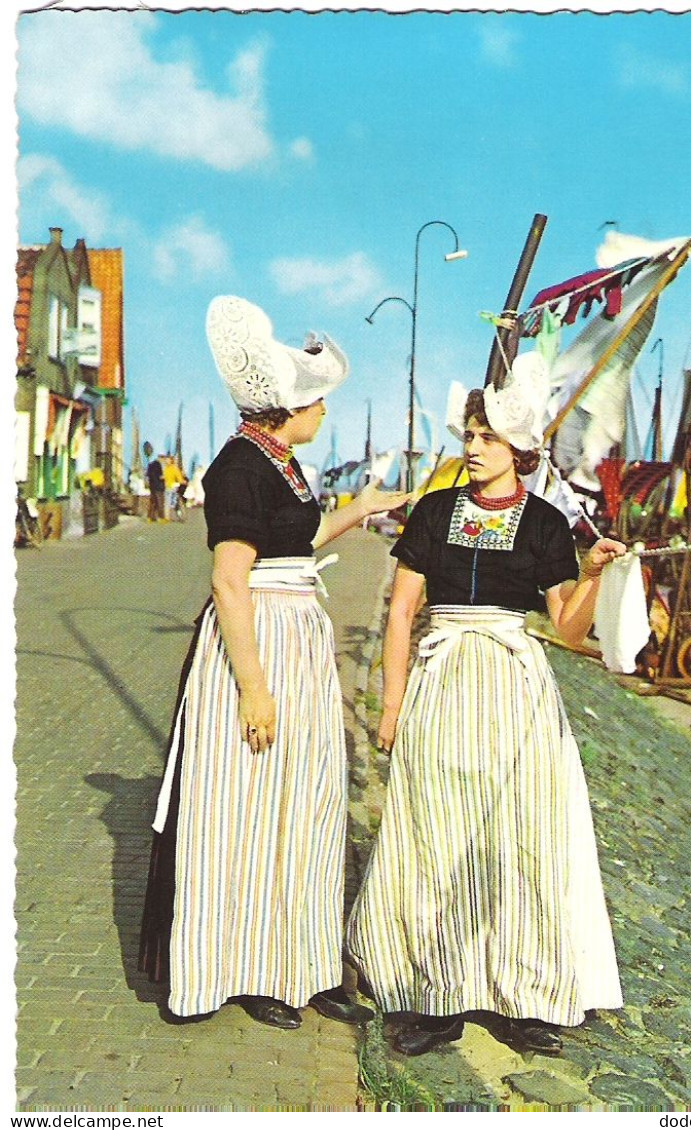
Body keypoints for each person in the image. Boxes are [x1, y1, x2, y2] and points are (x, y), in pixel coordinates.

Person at [139, 295, 409, 1031]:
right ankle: (245, 967)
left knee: (307, 801)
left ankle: (303, 959)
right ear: (290, 407)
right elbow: (231, 580)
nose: (324, 414)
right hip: (255, 643)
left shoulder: (283, 463)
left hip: (300, 638)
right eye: (318, 403)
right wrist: (252, 689)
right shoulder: (237, 469)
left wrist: (364, 508)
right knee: (248, 807)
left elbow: (299, 541)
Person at [346, 361, 626, 1058]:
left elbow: (566, 630)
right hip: (440, 683)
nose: (472, 447)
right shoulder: (435, 511)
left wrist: (590, 576)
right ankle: (434, 997)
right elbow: (403, 608)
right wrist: (390, 703)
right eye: (470, 433)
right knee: (432, 833)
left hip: (513, 690)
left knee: (521, 837)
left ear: (519, 451)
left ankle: (526, 998)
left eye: (488, 437)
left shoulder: (544, 523)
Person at [146, 456, 165, 522]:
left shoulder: (150, 465)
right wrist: (163, 478)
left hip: (152, 486)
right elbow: (160, 476)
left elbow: (148, 475)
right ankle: (161, 517)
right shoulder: (159, 465)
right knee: (160, 502)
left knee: (153, 502)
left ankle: (150, 517)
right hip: (159, 486)